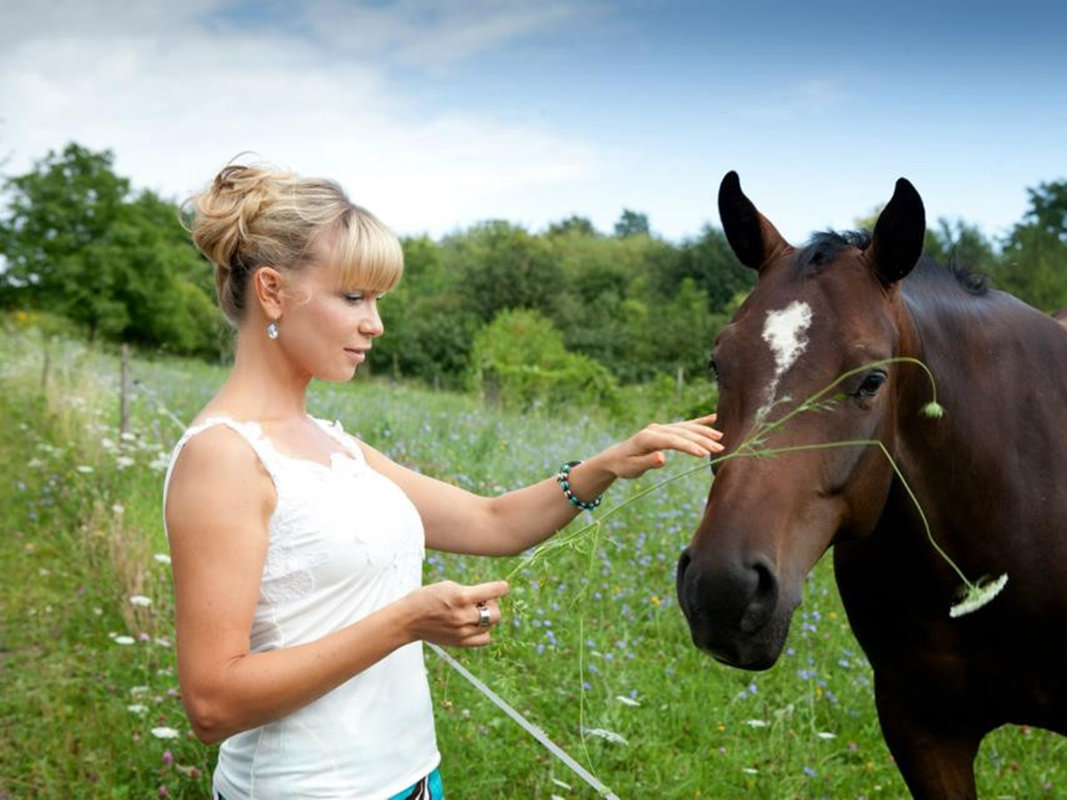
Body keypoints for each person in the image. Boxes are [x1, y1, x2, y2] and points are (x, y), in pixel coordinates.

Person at [163, 161, 724, 800]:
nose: (375, 323)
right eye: (354, 297)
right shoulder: (225, 458)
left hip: (413, 779)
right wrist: (406, 622)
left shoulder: (336, 445)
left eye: (376, 300)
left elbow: (493, 523)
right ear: (271, 291)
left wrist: (605, 466)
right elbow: (213, 703)